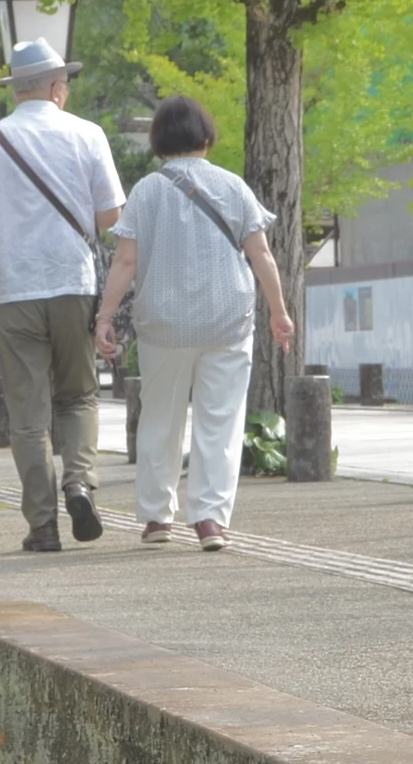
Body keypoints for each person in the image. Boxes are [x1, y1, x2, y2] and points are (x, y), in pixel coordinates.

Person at [92, 95, 294, 551]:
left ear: (159, 139)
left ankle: (158, 517)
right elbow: (260, 254)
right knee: (219, 421)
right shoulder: (233, 186)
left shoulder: (146, 191)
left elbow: (125, 261)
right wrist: (279, 312)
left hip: (165, 323)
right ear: (206, 135)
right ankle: (209, 520)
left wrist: (105, 317)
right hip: (227, 322)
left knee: (160, 419)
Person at [0, 37, 125, 552]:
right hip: (73, 283)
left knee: (28, 413)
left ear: (16, 90)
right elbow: (112, 217)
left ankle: (43, 525)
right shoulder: (87, 135)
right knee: (78, 395)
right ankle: (79, 482)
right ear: (55, 88)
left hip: (13, 290)